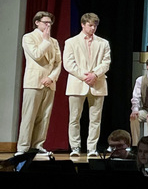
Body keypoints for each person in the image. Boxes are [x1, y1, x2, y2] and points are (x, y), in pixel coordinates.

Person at [63, 12, 111, 157]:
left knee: (95, 119)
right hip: (77, 83)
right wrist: (85, 76)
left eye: (95, 25)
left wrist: (95, 74)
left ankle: (92, 148)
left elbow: (106, 62)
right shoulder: (71, 42)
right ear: (83, 24)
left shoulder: (103, 43)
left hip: (97, 83)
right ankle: (75, 147)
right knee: (74, 118)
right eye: (90, 25)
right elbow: (68, 64)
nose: (93, 28)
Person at [16, 11, 61, 156]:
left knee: (44, 116)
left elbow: (58, 62)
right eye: (45, 23)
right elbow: (36, 54)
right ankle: (23, 148)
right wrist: (45, 41)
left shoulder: (54, 41)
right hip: (34, 82)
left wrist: (52, 77)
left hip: (49, 83)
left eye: (50, 23)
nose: (48, 25)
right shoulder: (28, 37)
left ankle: (37, 145)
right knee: (29, 116)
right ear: (37, 22)